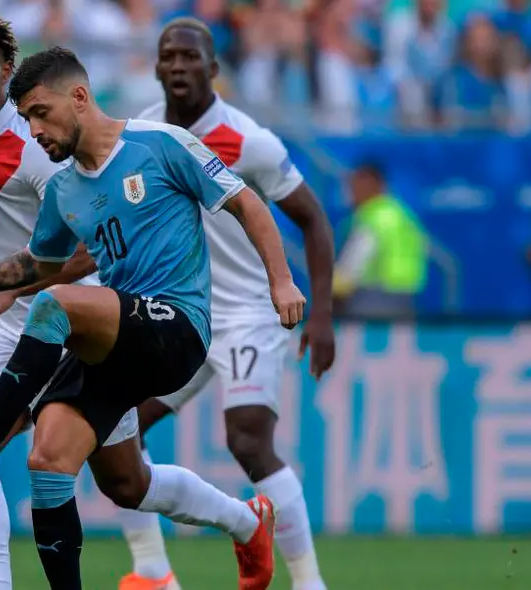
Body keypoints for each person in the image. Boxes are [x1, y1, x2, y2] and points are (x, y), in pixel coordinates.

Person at [0, 46, 306, 590]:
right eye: (25, 119)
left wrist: (280, 279)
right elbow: (38, 263)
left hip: (177, 327)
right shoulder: (66, 188)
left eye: (41, 113)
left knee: (55, 306)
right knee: (62, 466)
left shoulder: (160, 143)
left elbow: (246, 204)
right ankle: (246, 523)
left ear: (79, 96)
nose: (34, 130)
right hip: (117, 341)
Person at [117, 18, 337, 590]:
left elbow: (314, 221)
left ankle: (309, 582)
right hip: (180, 314)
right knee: (115, 427)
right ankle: (153, 573)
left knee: (246, 439)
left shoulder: (248, 141)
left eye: (191, 57)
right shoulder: (139, 131)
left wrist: (322, 314)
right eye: (169, 56)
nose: (179, 67)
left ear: (214, 69)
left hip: (248, 314)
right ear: (156, 65)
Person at [0, 9, 114, 590]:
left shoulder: (34, 146)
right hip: (9, 321)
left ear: (7, 69)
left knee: (128, 482)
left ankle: (238, 521)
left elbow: (88, 250)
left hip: (79, 318)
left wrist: (5, 292)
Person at [334, 162, 427, 319]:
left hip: (374, 298)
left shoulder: (372, 219)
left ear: (373, 186)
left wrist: (331, 291)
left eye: (355, 187)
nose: (351, 193)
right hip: (406, 296)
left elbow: (352, 267)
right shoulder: (400, 213)